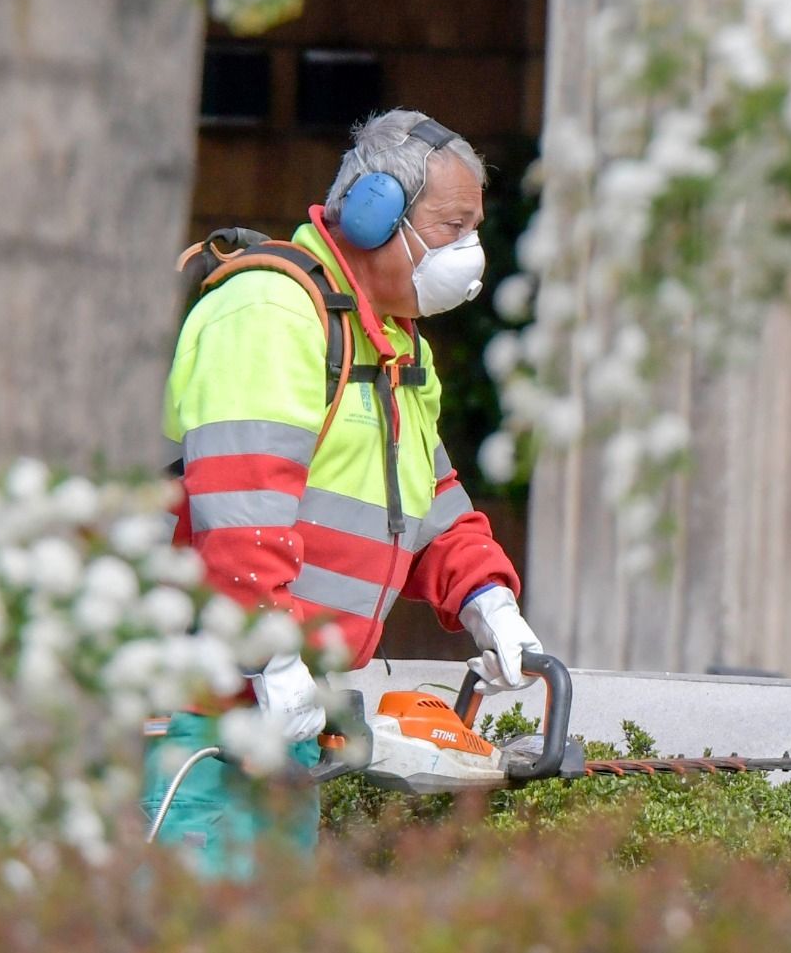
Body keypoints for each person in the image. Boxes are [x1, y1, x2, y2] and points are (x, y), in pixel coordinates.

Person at [144, 108, 543, 876]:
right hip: (202, 707)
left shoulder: (387, 344)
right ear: (374, 215)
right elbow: (241, 501)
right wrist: (270, 648)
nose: (471, 253)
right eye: (453, 226)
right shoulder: (272, 312)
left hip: (279, 701)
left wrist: (490, 600)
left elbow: (428, 496)